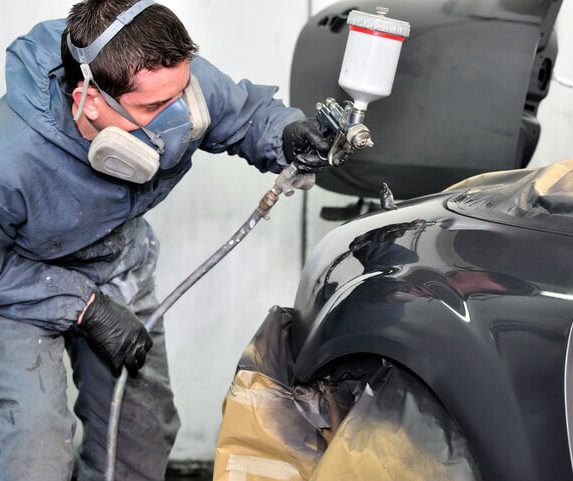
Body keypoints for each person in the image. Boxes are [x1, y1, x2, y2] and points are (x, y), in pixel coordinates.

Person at [0, 1, 334, 480]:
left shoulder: (170, 81)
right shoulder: (12, 157)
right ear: (87, 101)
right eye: (154, 109)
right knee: (34, 454)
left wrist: (287, 134)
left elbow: (243, 115)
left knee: (140, 438)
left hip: (117, 263)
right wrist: (85, 307)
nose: (176, 120)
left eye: (181, 93)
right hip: (18, 288)